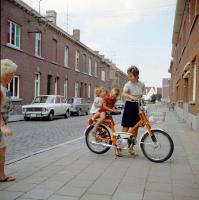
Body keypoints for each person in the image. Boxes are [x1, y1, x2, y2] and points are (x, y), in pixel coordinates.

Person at [120, 66, 145, 156]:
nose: (129, 77)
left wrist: (140, 101)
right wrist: (131, 96)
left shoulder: (141, 84)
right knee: (125, 128)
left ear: (137, 75)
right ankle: (119, 148)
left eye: (131, 76)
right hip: (129, 106)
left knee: (135, 128)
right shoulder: (128, 84)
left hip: (137, 107)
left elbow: (141, 95)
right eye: (128, 75)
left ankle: (131, 148)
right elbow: (123, 94)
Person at [0, 59, 17, 182]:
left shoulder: (3, 88)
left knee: (2, 148)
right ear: (4, 73)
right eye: (11, 74)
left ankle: (1, 174)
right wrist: (2, 125)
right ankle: (1, 175)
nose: (12, 76)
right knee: (2, 148)